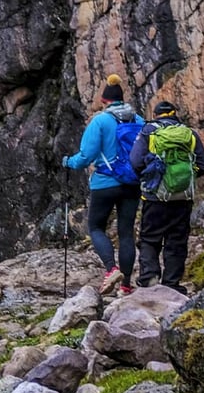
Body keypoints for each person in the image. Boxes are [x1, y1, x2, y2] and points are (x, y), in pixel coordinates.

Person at [61, 74, 144, 296]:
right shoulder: (139, 120)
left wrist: (69, 162)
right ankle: (126, 286)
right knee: (126, 233)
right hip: (132, 183)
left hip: (105, 183)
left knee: (96, 227)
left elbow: (86, 156)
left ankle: (111, 269)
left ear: (104, 101)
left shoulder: (100, 121)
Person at [129, 100, 204, 294]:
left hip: (154, 196)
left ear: (156, 114)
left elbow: (135, 161)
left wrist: (152, 178)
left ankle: (149, 277)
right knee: (177, 240)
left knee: (150, 238)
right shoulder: (189, 134)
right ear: (175, 114)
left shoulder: (148, 131)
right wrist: (184, 179)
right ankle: (172, 283)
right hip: (183, 198)